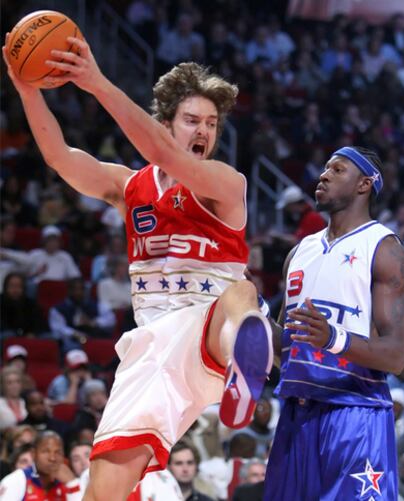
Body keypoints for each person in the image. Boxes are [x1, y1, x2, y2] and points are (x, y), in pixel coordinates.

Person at [3, 34, 273, 500]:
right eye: (192, 120)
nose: (204, 132)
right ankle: (241, 359)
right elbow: (58, 157)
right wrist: (27, 89)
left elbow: (163, 155)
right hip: (151, 350)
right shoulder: (128, 187)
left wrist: (97, 83)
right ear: (165, 123)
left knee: (242, 295)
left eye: (211, 123)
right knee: (101, 492)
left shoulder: (226, 183)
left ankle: (243, 367)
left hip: (209, 327)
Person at [264, 146, 404, 500]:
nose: (323, 175)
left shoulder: (385, 249)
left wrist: (334, 338)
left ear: (364, 184)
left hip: (354, 412)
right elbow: (287, 351)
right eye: (324, 168)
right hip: (297, 412)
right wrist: (252, 316)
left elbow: (397, 357)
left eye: (337, 169)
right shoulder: (300, 252)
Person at [0, 430, 82, 500]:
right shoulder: (15, 480)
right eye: (46, 451)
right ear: (33, 454)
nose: (52, 458)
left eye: (57, 452)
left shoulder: (72, 482)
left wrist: (72, 485)